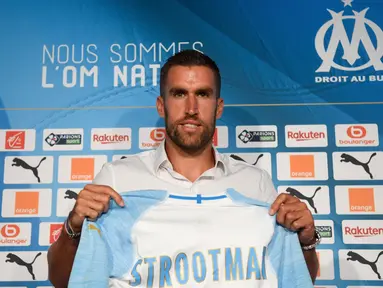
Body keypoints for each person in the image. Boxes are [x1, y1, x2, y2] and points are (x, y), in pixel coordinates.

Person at [47, 49, 319, 287]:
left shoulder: (255, 183)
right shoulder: (117, 178)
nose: (191, 108)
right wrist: (73, 227)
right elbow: (63, 281)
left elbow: (293, 278)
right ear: (161, 105)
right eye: (179, 94)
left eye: (202, 94)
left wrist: (305, 242)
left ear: (219, 107)